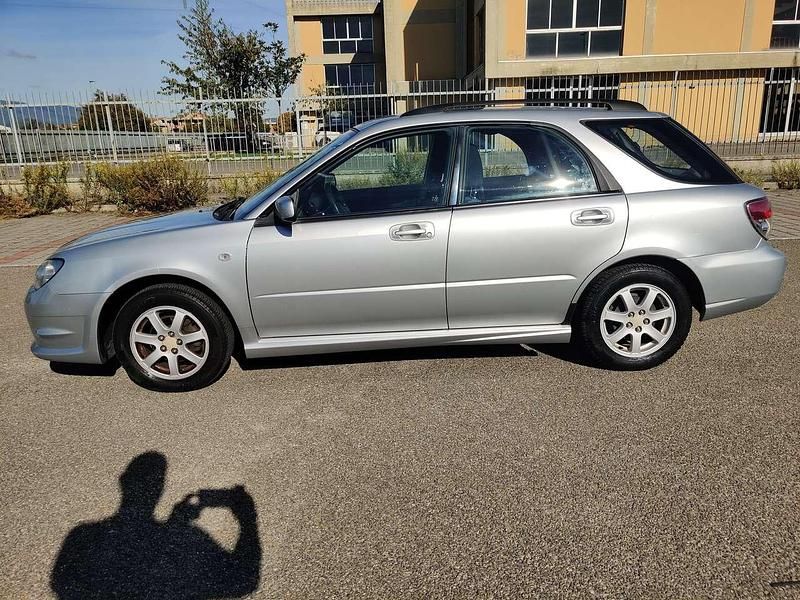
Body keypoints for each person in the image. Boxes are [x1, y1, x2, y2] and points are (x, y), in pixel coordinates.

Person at [51, 452, 261, 600]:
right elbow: (244, 582)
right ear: (161, 488)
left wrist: (174, 526)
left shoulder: (82, 536)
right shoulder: (189, 540)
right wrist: (247, 518)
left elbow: (61, 584)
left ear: (123, 481)